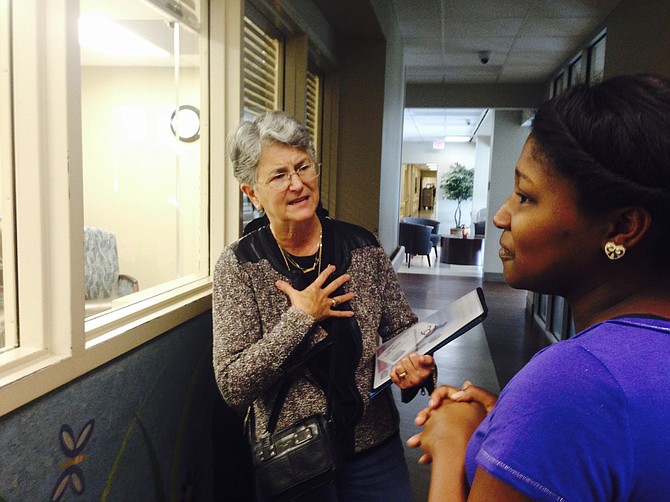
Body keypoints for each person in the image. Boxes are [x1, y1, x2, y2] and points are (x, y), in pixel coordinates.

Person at [408, 74, 670, 501]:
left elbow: (584, 413)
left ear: (622, 227)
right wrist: (516, 429)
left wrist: (454, 443)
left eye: (526, 197)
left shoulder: (573, 383)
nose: (501, 216)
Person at [213, 110, 435, 501]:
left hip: (374, 448)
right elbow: (233, 385)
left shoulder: (362, 247)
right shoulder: (240, 265)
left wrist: (414, 364)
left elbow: (404, 329)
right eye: (279, 175)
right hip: (293, 457)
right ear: (252, 193)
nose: (297, 184)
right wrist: (301, 318)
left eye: (303, 167)